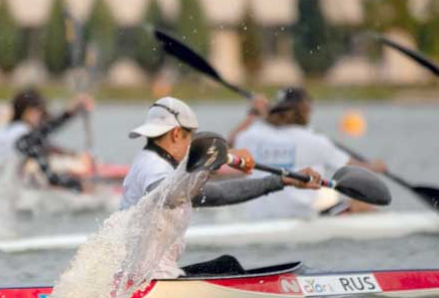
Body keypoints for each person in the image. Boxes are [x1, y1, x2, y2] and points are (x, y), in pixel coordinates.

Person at [121, 96, 323, 278]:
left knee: (226, 264)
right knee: (229, 267)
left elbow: (217, 195)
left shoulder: (155, 164)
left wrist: (281, 181)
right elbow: (169, 196)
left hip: (146, 277)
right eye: (191, 136)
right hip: (151, 281)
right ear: (175, 134)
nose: (192, 143)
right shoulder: (153, 165)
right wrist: (209, 163)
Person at [228, 87, 386, 219]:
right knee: (360, 205)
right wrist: (375, 166)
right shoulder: (315, 141)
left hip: (258, 220)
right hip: (302, 217)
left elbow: (226, 147)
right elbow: (356, 171)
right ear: (305, 109)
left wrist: (252, 115)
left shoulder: (251, 135)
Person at [0, 88, 95, 192]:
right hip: (13, 197)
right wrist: (81, 186)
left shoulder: (2, 130)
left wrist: (72, 154)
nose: (43, 117)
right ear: (30, 112)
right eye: (41, 112)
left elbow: (44, 140)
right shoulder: (26, 137)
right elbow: (52, 178)